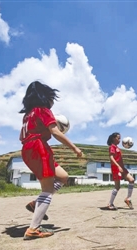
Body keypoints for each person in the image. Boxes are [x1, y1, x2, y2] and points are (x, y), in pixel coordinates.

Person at [19, 81, 83, 240]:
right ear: (45, 97)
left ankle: (36, 203)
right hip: (38, 147)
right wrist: (74, 148)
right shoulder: (44, 110)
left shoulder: (28, 114)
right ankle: (33, 229)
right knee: (47, 190)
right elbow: (55, 132)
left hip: (28, 148)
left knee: (62, 176)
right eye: (52, 97)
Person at [106, 132, 135, 210]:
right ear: (113, 138)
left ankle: (128, 199)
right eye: (118, 138)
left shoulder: (117, 147)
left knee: (131, 180)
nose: (120, 139)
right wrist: (118, 166)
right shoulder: (112, 147)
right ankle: (110, 203)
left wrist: (121, 167)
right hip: (116, 168)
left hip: (123, 168)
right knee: (117, 187)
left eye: (120, 138)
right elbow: (111, 158)